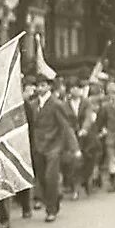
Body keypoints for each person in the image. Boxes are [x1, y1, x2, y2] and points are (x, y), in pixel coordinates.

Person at [28, 74, 80, 220]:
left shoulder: (56, 104)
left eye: (43, 85)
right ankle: (54, 199)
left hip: (53, 146)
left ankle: (51, 210)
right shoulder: (33, 105)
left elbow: (66, 127)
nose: (40, 88)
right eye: (38, 85)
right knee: (42, 178)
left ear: (49, 86)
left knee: (50, 177)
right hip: (38, 146)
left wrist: (74, 148)